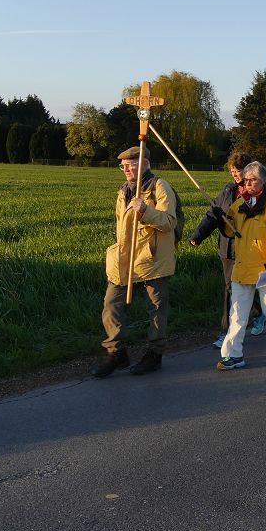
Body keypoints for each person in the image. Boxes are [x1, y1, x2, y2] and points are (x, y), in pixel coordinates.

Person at [90, 145, 179, 378]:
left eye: (131, 165)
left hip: (154, 259)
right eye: (124, 166)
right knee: (111, 306)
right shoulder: (123, 191)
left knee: (156, 310)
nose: (127, 169)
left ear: (146, 163)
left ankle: (154, 354)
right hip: (125, 258)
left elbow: (169, 222)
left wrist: (145, 210)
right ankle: (117, 352)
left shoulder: (160, 186)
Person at [215, 162, 266, 370]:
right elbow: (230, 230)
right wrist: (221, 218)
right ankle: (233, 355)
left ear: (263, 181)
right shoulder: (241, 202)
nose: (248, 184)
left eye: (253, 180)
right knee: (238, 315)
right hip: (242, 268)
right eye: (246, 180)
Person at [189, 151, 263, 347]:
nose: (234, 174)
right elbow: (213, 215)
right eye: (232, 171)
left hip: (247, 249)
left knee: (247, 286)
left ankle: (259, 312)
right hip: (227, 249)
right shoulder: (228, 191)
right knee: (230, 288)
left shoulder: (257, 192)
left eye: (238, 171)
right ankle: (228, 331)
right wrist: (199, 235)